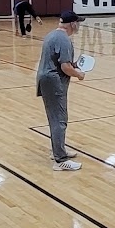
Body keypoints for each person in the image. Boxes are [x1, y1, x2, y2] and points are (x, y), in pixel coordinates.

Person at [37, 11, 87, 171]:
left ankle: (58, 150)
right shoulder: (64, 39)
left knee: (55, 118)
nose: (78, 25)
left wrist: (74, 65)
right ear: (72, 24)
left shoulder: (52, 35)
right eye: (77, 22)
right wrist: (78, 74)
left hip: (46, 80)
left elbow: (62, 61)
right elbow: (65, 67)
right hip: (54, 82)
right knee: (59, 119)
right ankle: (60, 160)